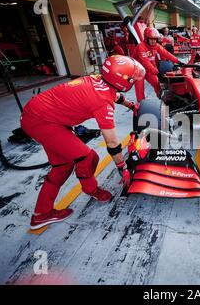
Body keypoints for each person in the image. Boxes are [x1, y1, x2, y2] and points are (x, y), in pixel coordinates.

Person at [21, 55, 146, 230]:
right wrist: (122, 167)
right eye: (131, 78)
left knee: (62, 166)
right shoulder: (102, 103)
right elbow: (111, 141)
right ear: (121, 80)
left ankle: (41, 214)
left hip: (38, 113)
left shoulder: (97, 78)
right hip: (42, 122)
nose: (133, 80)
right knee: (88, 157)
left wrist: (132, 106)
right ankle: (90, 189)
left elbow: (114, 94)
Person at [132, 27, 182, 101]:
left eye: (155, 39)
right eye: (151, 39)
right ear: (146, 38)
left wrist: (178, 61)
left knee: (156, 83)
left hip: (150, 69)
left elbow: (166, 53)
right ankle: (141, 106)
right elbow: (145, 62)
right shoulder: (141, 47)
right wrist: (157, 73)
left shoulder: (156, 46)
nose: (153, 41)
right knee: (140, 89)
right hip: (139, 70)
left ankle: (161, 100)